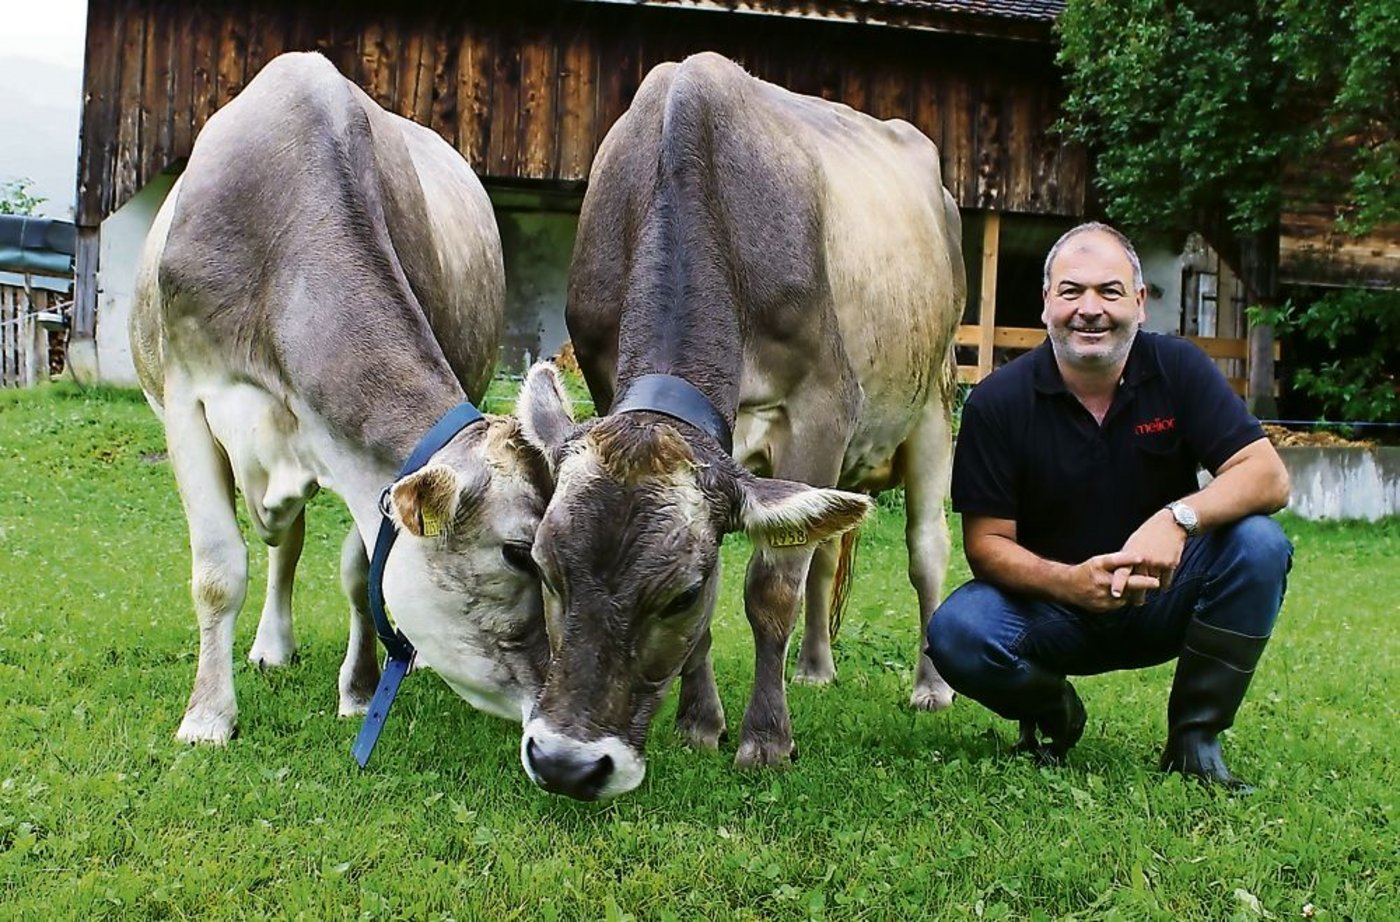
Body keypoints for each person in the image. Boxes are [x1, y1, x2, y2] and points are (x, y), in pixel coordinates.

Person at [926, 222, 1293, 790]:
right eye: (1071, 291)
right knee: (957, 631)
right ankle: (1054, 713)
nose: (1089, 309)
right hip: (1053, 610)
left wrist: (1177, 518)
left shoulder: (1179, 369)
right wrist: (1071, 582)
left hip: (1165, 594)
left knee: (1260, 545)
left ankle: (1195, 741)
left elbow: (1268, 476)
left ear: (1140, 303)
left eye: (1110, 291)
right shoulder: (997, 403)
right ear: (1046, 302)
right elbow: (987, 545)